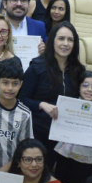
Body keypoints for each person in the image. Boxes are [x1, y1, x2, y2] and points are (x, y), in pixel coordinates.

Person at [19, 21, 84, 161]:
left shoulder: (79, 71)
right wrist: (41, 104)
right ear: (52, 41)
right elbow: (21, 99)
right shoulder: (37, 67)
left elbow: (87, 101)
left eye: (70, 40)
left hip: (66, 136)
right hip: (38, 134)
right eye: (61, 38)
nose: (65, 43)